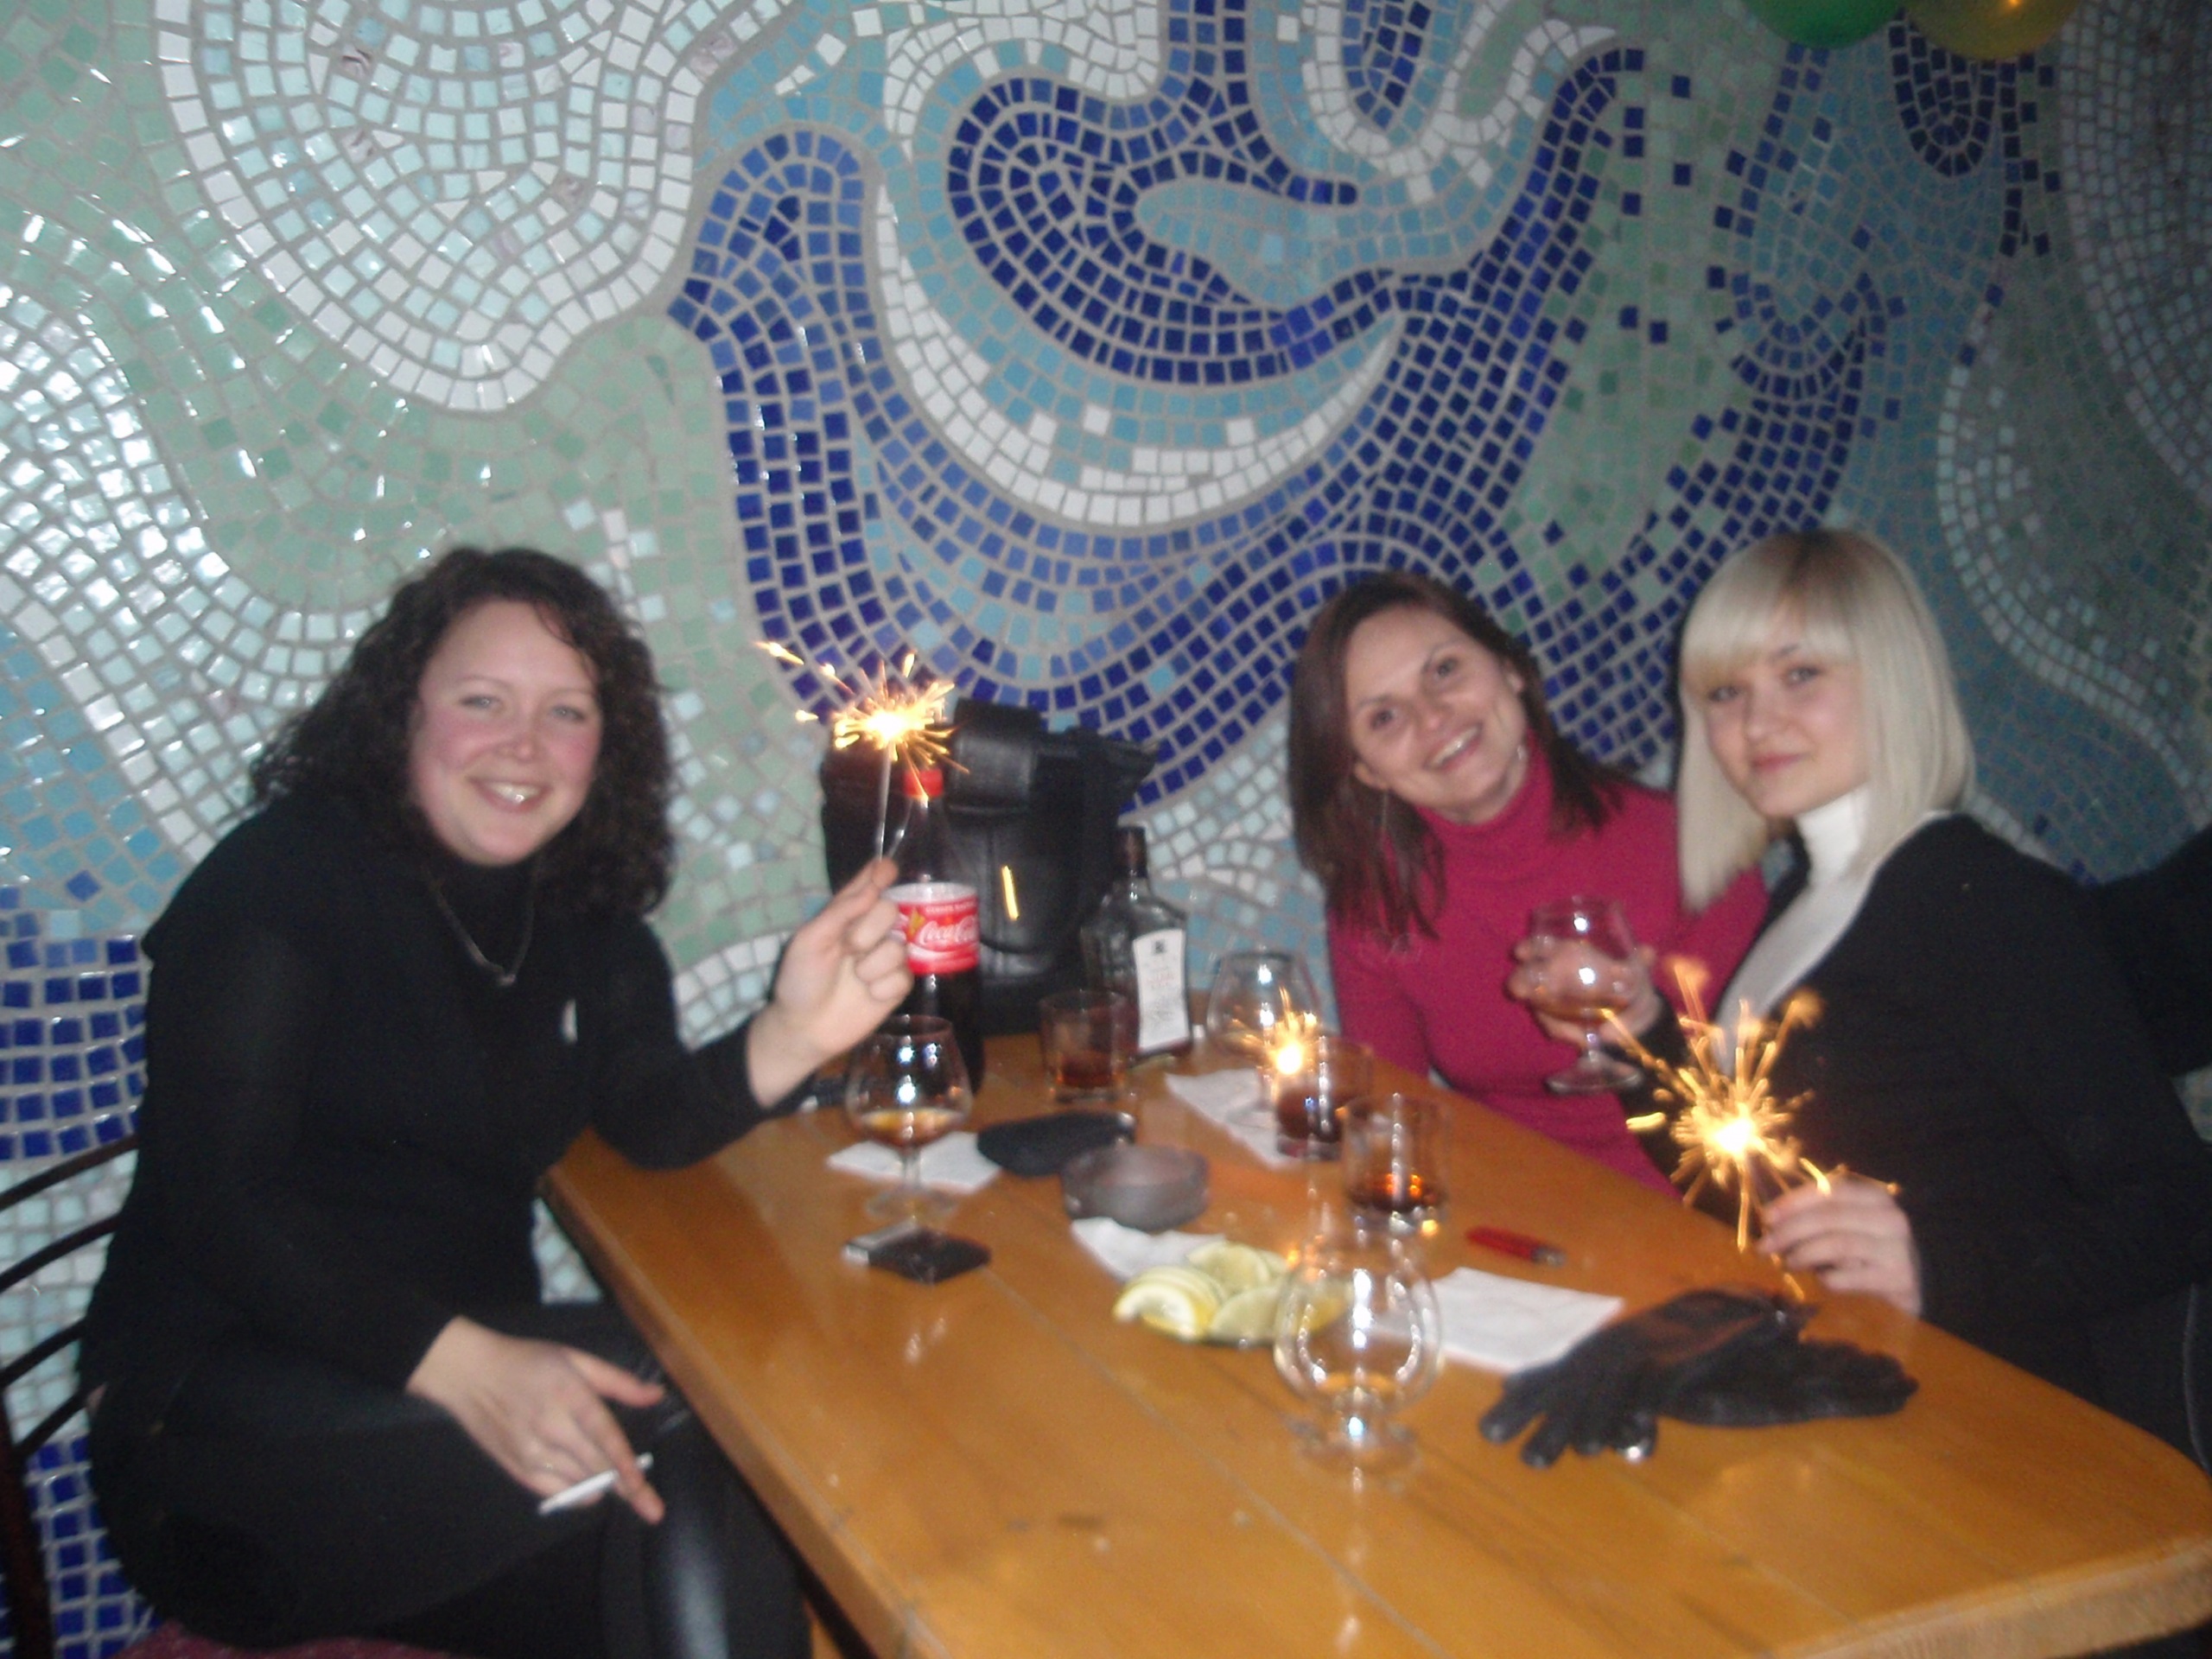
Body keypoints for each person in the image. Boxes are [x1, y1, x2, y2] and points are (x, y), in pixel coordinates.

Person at [79, 548, 912, 1658]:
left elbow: (649, 1118)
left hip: (457, 1431)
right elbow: (218, 1202)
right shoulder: (281, 879)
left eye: (566, 712)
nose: (524, 744)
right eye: (483, 701)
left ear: (606, 747)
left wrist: (794, 1034)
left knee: (732, 1538)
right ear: (402, 712)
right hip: (224, 1438)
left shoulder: (582, 917)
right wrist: (461, 1364)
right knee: (706, 1400)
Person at [1628, 526, 2212, 1449]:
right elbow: (1745, 1185)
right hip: (1847, 1383)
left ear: (1892, 679)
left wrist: (1934, 1269)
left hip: (2002, 1427)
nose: (1756, 723)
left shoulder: (1975, 900)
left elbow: (2178, 1207)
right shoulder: (1813, 890)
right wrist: (1639, 1038)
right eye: (1726, 693)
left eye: (1800, 675)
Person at [1287, 570, 1768, 1188]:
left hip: (1700, 1207)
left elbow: (1759, 1120)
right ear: (1366, 771)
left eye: (1444, 671)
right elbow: (1391, 1116)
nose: (1432, 717)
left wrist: (1643, 1023)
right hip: (1506, 1213)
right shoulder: (1377, 906)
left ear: (1510, 669)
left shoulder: (1687, 847)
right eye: (1384, 717)